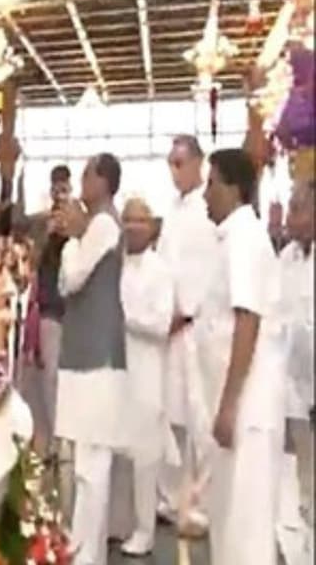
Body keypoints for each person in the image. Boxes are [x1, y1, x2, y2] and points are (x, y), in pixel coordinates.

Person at [199, 148, 286, 565]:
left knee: (245, 524)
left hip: (248, 405)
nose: (205, 193)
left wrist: (230, 405)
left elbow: (247, 321)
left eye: (211, 183)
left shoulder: (245, 238)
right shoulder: (231, 237)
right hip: (233, 397)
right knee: (228, 515)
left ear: (234, 189)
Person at [53, 153, 127, 565]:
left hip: (97, 360)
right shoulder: (96, 225)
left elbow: (72, 279)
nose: (80, 182)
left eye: (86, 175)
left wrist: (72, 239)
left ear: (104, 182)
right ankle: (86, 552)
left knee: (92, 468)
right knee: (87, 465)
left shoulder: (102, 225)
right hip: (89, 357)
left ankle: (86, 556)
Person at [156, 134, 218, 534]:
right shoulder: (172, 211)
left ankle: (202, 504)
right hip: (167, 328)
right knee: (168, 415)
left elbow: (208, 271)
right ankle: (169, 498)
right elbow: (164, 267)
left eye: (180, 163)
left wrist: (185, 311)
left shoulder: (207, 211)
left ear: (198, 163)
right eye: (170, 164)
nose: (175, 171)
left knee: (200, 419)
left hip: (196, 329)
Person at [115, 196, 176, 557]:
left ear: (152, 227)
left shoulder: (160, 270)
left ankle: (145, 530)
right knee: (119, 452)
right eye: (127, 219)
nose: (132, 226)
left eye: (139, 220)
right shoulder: (116, 265)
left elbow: (161, 323)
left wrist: (126, 318)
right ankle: (122, 525)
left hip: (148, 373)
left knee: (145, 457)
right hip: (118, 370)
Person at [20, 164, 72, 457]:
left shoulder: (80, 220)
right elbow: (33, 261)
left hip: (76, 310)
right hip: (50, 307)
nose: (60, 193)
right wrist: (47, 235)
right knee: (50, 375)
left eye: (64, 187)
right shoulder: (42, 223)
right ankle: (54, 436)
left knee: (72, 376)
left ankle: (70, 436)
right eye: (56, 187)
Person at [277, 180, 314, 565]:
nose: (290, 218)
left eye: (298, 209)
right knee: (297, 477)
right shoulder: (286, 257)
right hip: (292, 389)